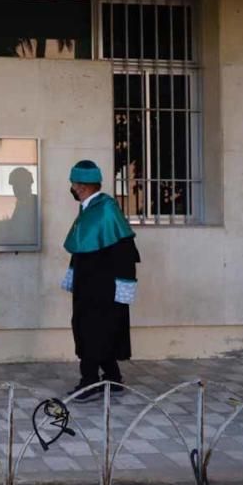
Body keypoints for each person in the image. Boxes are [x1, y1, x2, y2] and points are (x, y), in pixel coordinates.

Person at [60, 160, 140, 404]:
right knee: (97, 330)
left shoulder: (105, 210)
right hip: (89, 282)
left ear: (82, 186)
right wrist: (73, 274)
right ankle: (113, 378)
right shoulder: (89, 208)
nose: (71, 188)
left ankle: (89, 383)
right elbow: (82, 248)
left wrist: (125, 285)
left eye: (73, 184)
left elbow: (125, 249)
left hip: (103, 285)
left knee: (92, 331)